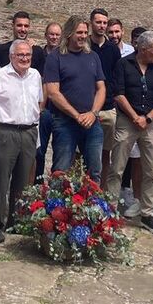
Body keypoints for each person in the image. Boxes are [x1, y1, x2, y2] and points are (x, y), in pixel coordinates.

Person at [105, 32, 153, 234]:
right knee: (117, 167)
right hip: (127, 120)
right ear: (143, 49)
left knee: (150, 170)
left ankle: (147, 213)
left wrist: (148, 118)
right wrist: (135, 117)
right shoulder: (124, 65)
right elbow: (118, 93)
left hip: (150, 123)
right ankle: (111, 211)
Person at [0, 40, 43, 243]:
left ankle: (16, 219)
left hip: (28, 131)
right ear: (11, 56)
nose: (25, 58)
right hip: (5, 131)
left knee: (22, 180)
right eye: (20, 55)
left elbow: (39, 102)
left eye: (28, 55)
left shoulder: (35, 76)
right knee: (0, 180)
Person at [43, 16, 106, 181]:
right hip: (64, 122)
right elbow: (53, 92)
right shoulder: (55, 57)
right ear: (69, 33)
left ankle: (94, 205)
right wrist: (76, 115)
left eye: (85, 32)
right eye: (79, 32)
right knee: (60, 172)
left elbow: (101, 88)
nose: (83, 36)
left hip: (91, 122)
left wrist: (93, 113)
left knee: (94, 171)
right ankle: (58, 206)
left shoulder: (93, 57)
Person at [88, 9, 122, 183]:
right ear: (91, 23)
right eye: (98, 22)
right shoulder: (84, 46)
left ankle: (101, 189)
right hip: (86, 108)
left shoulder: (113, 50)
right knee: (81, 152)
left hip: (108, 108)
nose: (101, 26)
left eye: (104, 23)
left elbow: (116, 77)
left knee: (105, 151)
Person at [35, 21, 61, 182]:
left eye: (57, 35)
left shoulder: (65, 56)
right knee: (39, 149)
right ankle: (37, 183)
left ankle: (56, 187)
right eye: (51, 34)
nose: (54, 37)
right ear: (46, 35)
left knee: (60, 151)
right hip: (42, 109)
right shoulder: (37, 55)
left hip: (59, 110)